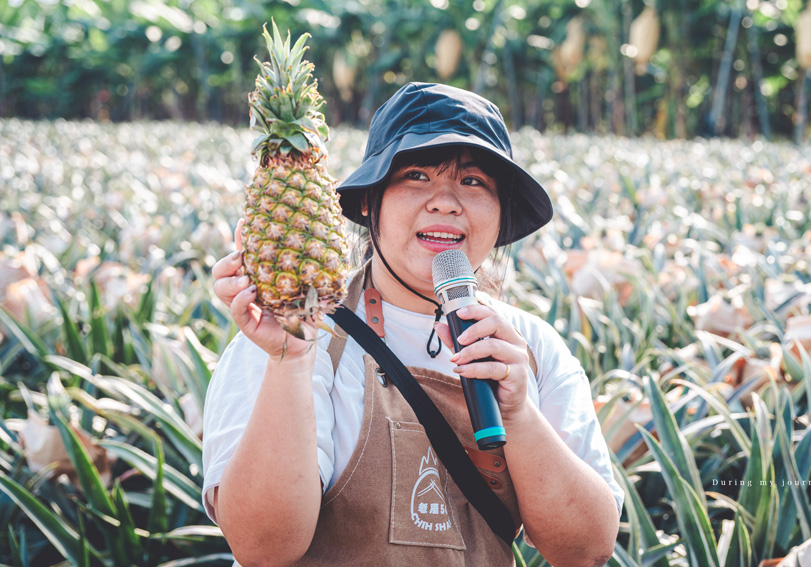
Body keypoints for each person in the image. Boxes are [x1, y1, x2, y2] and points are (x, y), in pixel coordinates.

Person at [203, 82, 624, 567]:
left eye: (473, 182)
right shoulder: (293, 332)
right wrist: (290, 363)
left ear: (500, 213)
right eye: (417, 175)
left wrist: (520, 415)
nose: (445, 201)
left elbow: (587, 550)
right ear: (368, 203)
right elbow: (262, 547)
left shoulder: (533, 347)